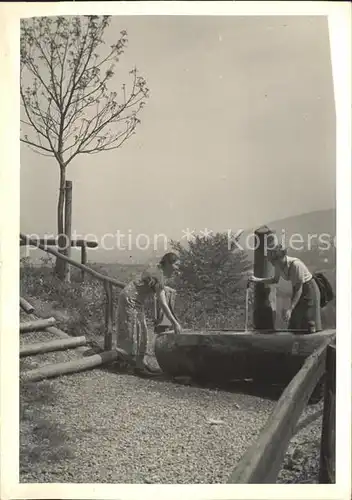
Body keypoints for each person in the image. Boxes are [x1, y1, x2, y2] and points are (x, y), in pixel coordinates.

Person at [116, 252, 182, 375]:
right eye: (176, 265)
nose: (178, 268)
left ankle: (139, 365)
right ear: (168, 263)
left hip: (134, 300)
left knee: (141, 331)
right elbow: (162, 302)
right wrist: (175, 323)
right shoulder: (158, 275)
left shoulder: (158, 271)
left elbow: (153, 288)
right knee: (133, 331)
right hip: (130, 299)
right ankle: (131, 365)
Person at [248, 244, 322, 333]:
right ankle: (295, 343)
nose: (271, 263)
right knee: (295, 322)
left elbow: (299, 290)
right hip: (298, 289)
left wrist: (290, 309)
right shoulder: (278, 265)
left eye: (272, 260)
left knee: (308, 320)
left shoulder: (295, 265)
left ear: (280, 258)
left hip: (309, 289)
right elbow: (274, 280)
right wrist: (257, 280)